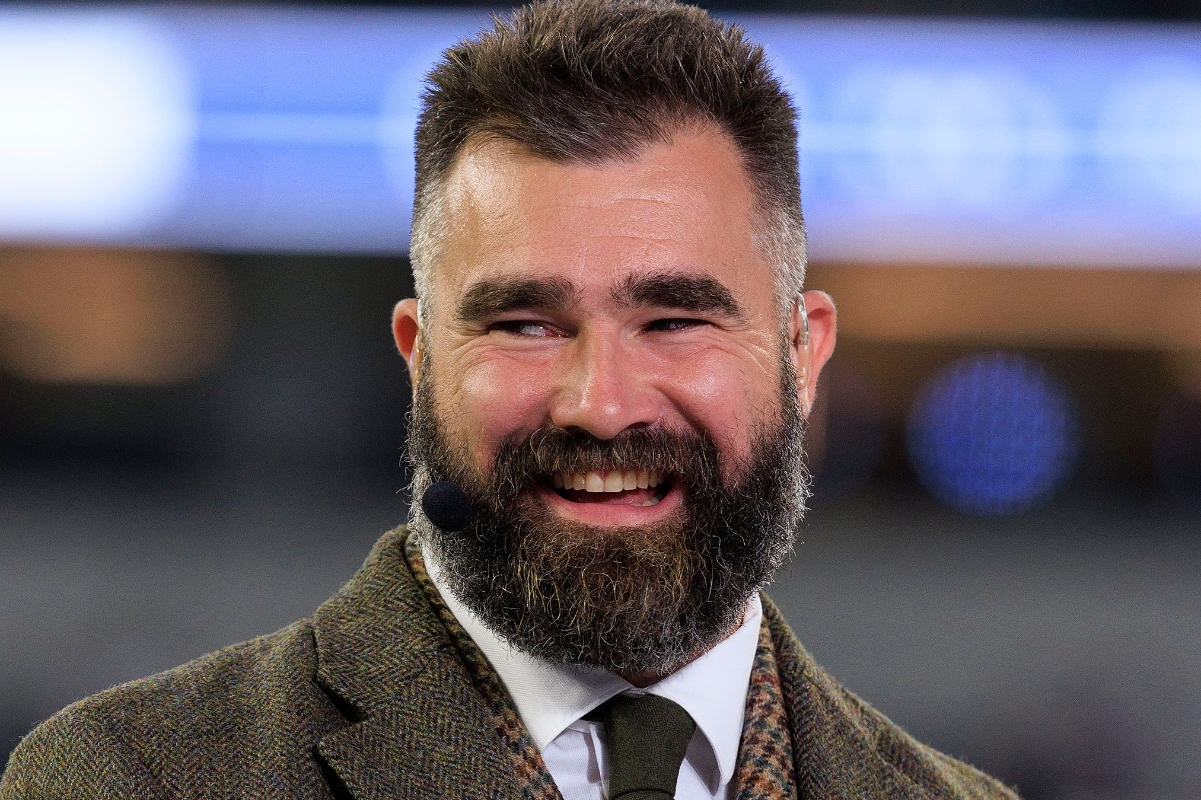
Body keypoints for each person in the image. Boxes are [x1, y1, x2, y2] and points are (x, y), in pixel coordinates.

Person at [0, 1, 1019, 798]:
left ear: (802, 353)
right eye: (525, 324)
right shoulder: (134, 776)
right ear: (420, 357)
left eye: (674, 320)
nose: (602, 405)